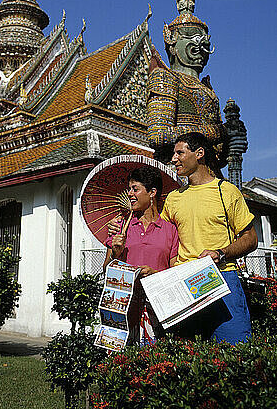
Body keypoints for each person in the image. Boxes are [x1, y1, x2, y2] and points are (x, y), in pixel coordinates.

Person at [108, 132, 258, 344]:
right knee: (187, 356)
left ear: (199, 154)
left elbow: (251, 238)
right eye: (173, 154)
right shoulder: (173, 198)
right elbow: (155, 232)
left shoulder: (227, 192)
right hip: (185, 284)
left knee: (235, 350)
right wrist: (120, 224)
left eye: (180, 153)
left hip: (223, 277)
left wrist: (221, 253)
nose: (174, 159)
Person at [103, 166, 179, 344]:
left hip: (159, 307)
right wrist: (115, 253)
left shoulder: (170, 230)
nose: (129, 194)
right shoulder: (119, 226)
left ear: (152, 192)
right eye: (129, 189)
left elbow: (175, 271)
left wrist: (155, 274)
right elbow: (106, 270)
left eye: (135, 189)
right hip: (125, 308)